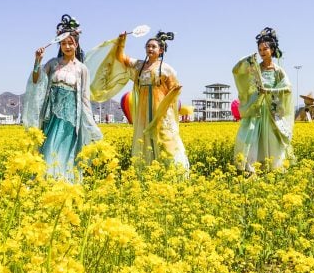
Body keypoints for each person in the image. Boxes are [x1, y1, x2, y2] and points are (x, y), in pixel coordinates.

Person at [89, 30, 190, 171]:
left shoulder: (167, 69)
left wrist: (174, 91)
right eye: (148, 46)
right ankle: (146, 170)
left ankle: (172, 170)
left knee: (165, 137)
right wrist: (121, 42)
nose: (150, 49)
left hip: (160, 111)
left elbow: (174, 90)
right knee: (144, 137)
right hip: (143, 111)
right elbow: (120, 58)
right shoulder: (139, 65)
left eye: (153, 47)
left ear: (161, 50)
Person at [21, 14, 103, 181]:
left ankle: (65, 183)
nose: (67, 46)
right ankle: (46, 181)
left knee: (67, 150)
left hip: (72, 118)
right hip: (52, 116)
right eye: (63, 43)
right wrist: (37, 61)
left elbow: (85, 98)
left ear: (76, 44)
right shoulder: (52, 64)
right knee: (49, 147)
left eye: (70, 43)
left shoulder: (82, 69)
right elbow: (36, 81)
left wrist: (91, 124)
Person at [232, 27, 294, 173]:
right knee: (252, 139)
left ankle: (273, 169)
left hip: (271, 111)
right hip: (257, 110)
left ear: (272, 50)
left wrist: (270, 91)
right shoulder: (255, 69)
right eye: (259, 49)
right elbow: (239, 73)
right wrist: (247, 61)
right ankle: (252, 168)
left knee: (272, 140)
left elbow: (288, 88)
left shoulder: (278, 70)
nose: (262, 52)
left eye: (265, 49)